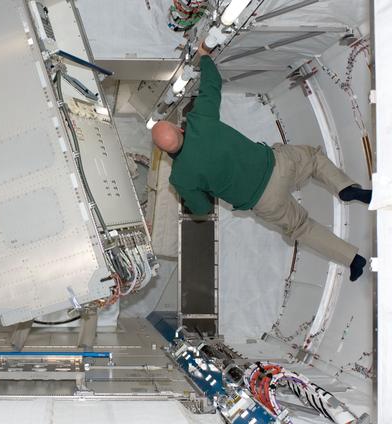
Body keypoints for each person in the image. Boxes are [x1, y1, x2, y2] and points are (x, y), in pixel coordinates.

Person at [151, 43, 370, 282]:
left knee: (302, 228)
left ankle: (353, 260)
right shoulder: (199, 120)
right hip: (277, 166)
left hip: (264, 202)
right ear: (179, 128)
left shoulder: (180, 178)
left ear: (163, 152)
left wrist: (204, 189)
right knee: (314, 159)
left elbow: (201, 209)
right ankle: (346, 188)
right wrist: (204, 57)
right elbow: (212, 85)